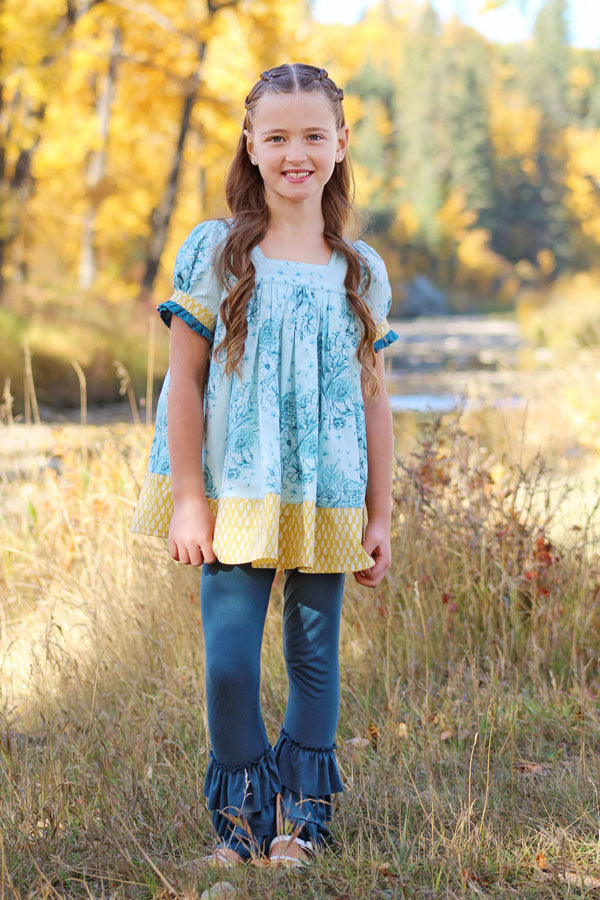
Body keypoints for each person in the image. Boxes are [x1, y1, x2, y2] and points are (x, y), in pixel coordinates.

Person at [130, 62, 399, 868]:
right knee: (228, 663)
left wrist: (380, 515)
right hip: (236, 489)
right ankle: (242, 818)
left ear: (341, 144)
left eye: (313, 135)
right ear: (250, 146)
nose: (295, 153)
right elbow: (185, 380)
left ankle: (302, 823)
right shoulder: (217, 252)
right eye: (276, 136)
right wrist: (187, 498)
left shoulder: (360, 270)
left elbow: (376, 402)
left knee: (315, 656)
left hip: (328, 492)